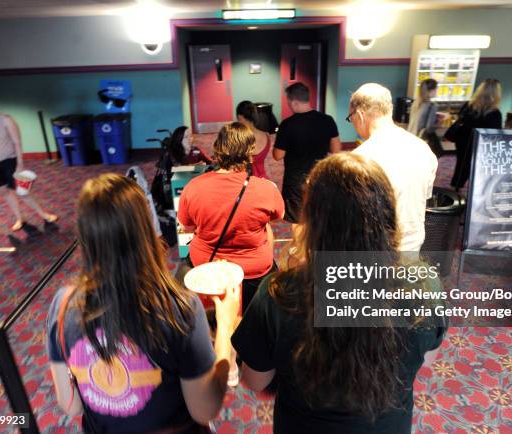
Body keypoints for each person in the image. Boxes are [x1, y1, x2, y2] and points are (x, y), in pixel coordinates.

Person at [232, 153, 448, 434]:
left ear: (314, 223)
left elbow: (255, 381)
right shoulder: (424, 285)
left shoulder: (280, 294)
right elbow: (427, 359)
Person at [46, 173, 240, 433]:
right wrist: (226, 327)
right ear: (145, 230)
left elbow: (72, 406)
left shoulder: (62, 306)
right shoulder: (180, 308)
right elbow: (204, 409)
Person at [177, 122, 285, 312]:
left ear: (217, 150)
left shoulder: (193, 187)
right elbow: (277, 217)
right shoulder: (266, 188)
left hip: (206, 266)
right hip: (254, 271)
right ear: (250, 154)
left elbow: (187, 227)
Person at [350, 83, 437, 252]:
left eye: (350, 117)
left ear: (359, 115)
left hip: (376, 249)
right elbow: (423, 198)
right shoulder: (424, 149)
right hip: (413, 243)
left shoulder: (360, 158)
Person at [0, 92, 57, 231]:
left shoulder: (6, 119)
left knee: (23, 192)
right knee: (4, 191)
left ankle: (44, 215)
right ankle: (19, 218)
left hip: (9, 161)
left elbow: (17, 142)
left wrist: (20, 164)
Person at [273, 82, 341, 224]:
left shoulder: (287, 124)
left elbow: (278, 156)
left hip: (295, 182)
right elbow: (336, 150)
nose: (289, 105)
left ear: (295, 102)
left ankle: (301, 246)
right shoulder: (327, 120)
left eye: (289, 102)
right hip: (319, 178)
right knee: (316, 217)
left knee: (298, 221)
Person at [449, 78, 503, 190]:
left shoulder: (469, 106)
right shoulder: (494, 113)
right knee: (476, 169)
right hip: (479, 145)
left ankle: (456, 187)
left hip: (462, 141)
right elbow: (495, 134)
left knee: (461, 165)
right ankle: (473, 191)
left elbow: (460, 119)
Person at [236, 100, 271, 179]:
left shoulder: (238, 138)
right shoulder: (267, 136)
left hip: (244, 181)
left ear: (240, 117)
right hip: (262, 179)